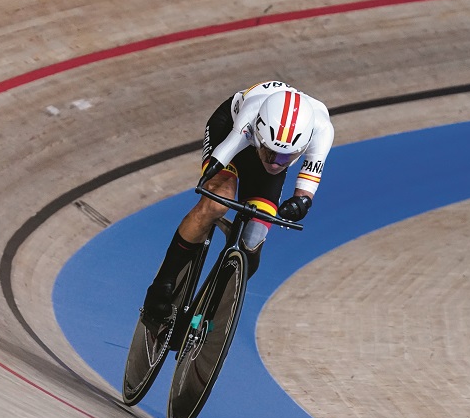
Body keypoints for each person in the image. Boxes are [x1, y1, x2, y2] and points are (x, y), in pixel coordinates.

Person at [141, 80, 334, 329]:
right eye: (271, 153)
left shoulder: (321, 129)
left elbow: (308, 183)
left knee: (254, 238)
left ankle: (212, 309)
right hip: (229, 131)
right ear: (260, 134)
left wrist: (299, 204)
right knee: (216, 205)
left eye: (287, 158)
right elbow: (226, 150)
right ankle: (162, 285)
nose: (275, 163)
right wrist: (211, 178)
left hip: (259, 146)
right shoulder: (253, 110)